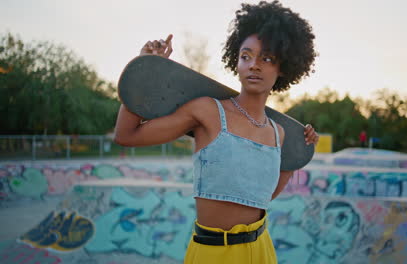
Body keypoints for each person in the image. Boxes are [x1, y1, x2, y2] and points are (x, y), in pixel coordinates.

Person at [114, 1, 318, 263]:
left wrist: (297, 154)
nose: (254, 65)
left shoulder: (278, 132)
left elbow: (262, 198)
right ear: (237, 62)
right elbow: (126, 135)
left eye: (266, 58)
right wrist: (144, 74)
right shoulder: (207, 111)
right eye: (246, 56)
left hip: (261, 250)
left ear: (282, 68)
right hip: (213, 252)